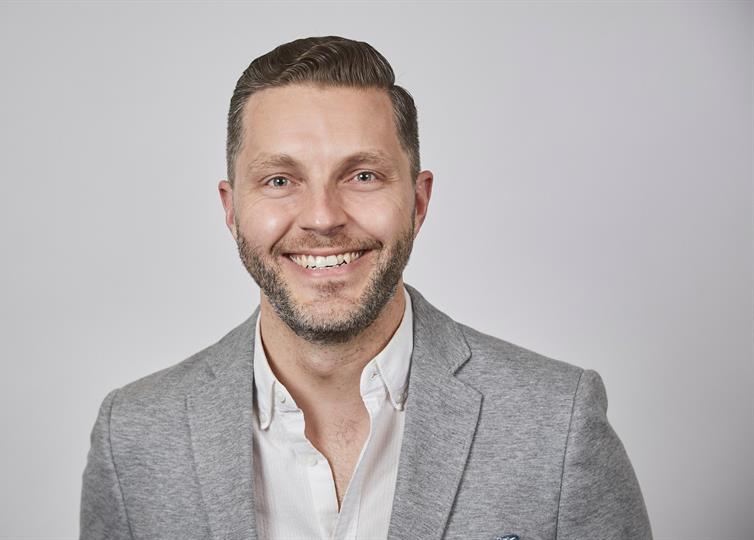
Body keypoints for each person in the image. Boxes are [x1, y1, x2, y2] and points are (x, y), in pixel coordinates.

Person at [80, 36, 652, 540]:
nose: (323, 218)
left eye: (363, 176)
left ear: (419, 201)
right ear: (232, 210)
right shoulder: (132, 438)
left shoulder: (557, 424)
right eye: (280, 180)